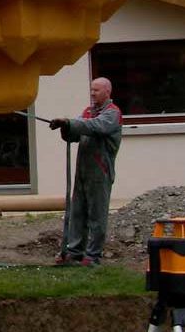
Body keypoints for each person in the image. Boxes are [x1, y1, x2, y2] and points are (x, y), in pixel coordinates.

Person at [48, 76, 123, 267]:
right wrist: (65, 127)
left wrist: (70, 122)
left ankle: (93, 256)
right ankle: (74, 252)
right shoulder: (88, 112)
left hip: (100, 171)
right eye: (91, 90)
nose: (92, 93)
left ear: (107, 92)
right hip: (82, 170)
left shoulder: (112, 114)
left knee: (97, 215)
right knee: (77, 212)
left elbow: (95, 127)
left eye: (96, 90)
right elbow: (76, 132)